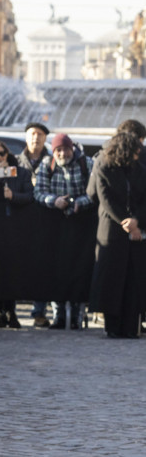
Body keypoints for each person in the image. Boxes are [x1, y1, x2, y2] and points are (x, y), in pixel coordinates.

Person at [87, 132, 146, 338]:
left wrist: (137, 221)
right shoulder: (104, 166)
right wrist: (126, 222)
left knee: (133, 280)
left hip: (136, 231)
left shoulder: (139, 169)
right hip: (112, 229)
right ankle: (113, 326)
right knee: (111, 279)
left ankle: (131, 326)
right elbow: (105, 199)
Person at [34, 133, 95, 330]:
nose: (62, 154)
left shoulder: (87, 163)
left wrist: (80, 203)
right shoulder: (47, 164)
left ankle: (78, 314)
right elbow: (39, 192)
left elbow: (94, 192)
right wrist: (54, 201)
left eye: (65, 149)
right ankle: (58, 315)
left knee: (80, 268)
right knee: (56, 268)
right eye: (58, 150)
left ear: (72, 149)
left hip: (81, 222)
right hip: (55, 223)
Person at [0, 140, 34, 328]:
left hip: (16, 227)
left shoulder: (21, 172)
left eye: (2, 153)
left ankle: (12, 310)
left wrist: (14, 196)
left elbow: (30, 195)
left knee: (14, 269)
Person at [17, 122, 51, 326]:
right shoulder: (16, 161)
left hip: (46, 220)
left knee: (43, 266)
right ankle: (10, 312)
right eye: (32, 134)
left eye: (40, 134)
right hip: (20, 221)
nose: (35, 138)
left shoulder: (52, 160)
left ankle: (40, 312)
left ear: (45, 138)